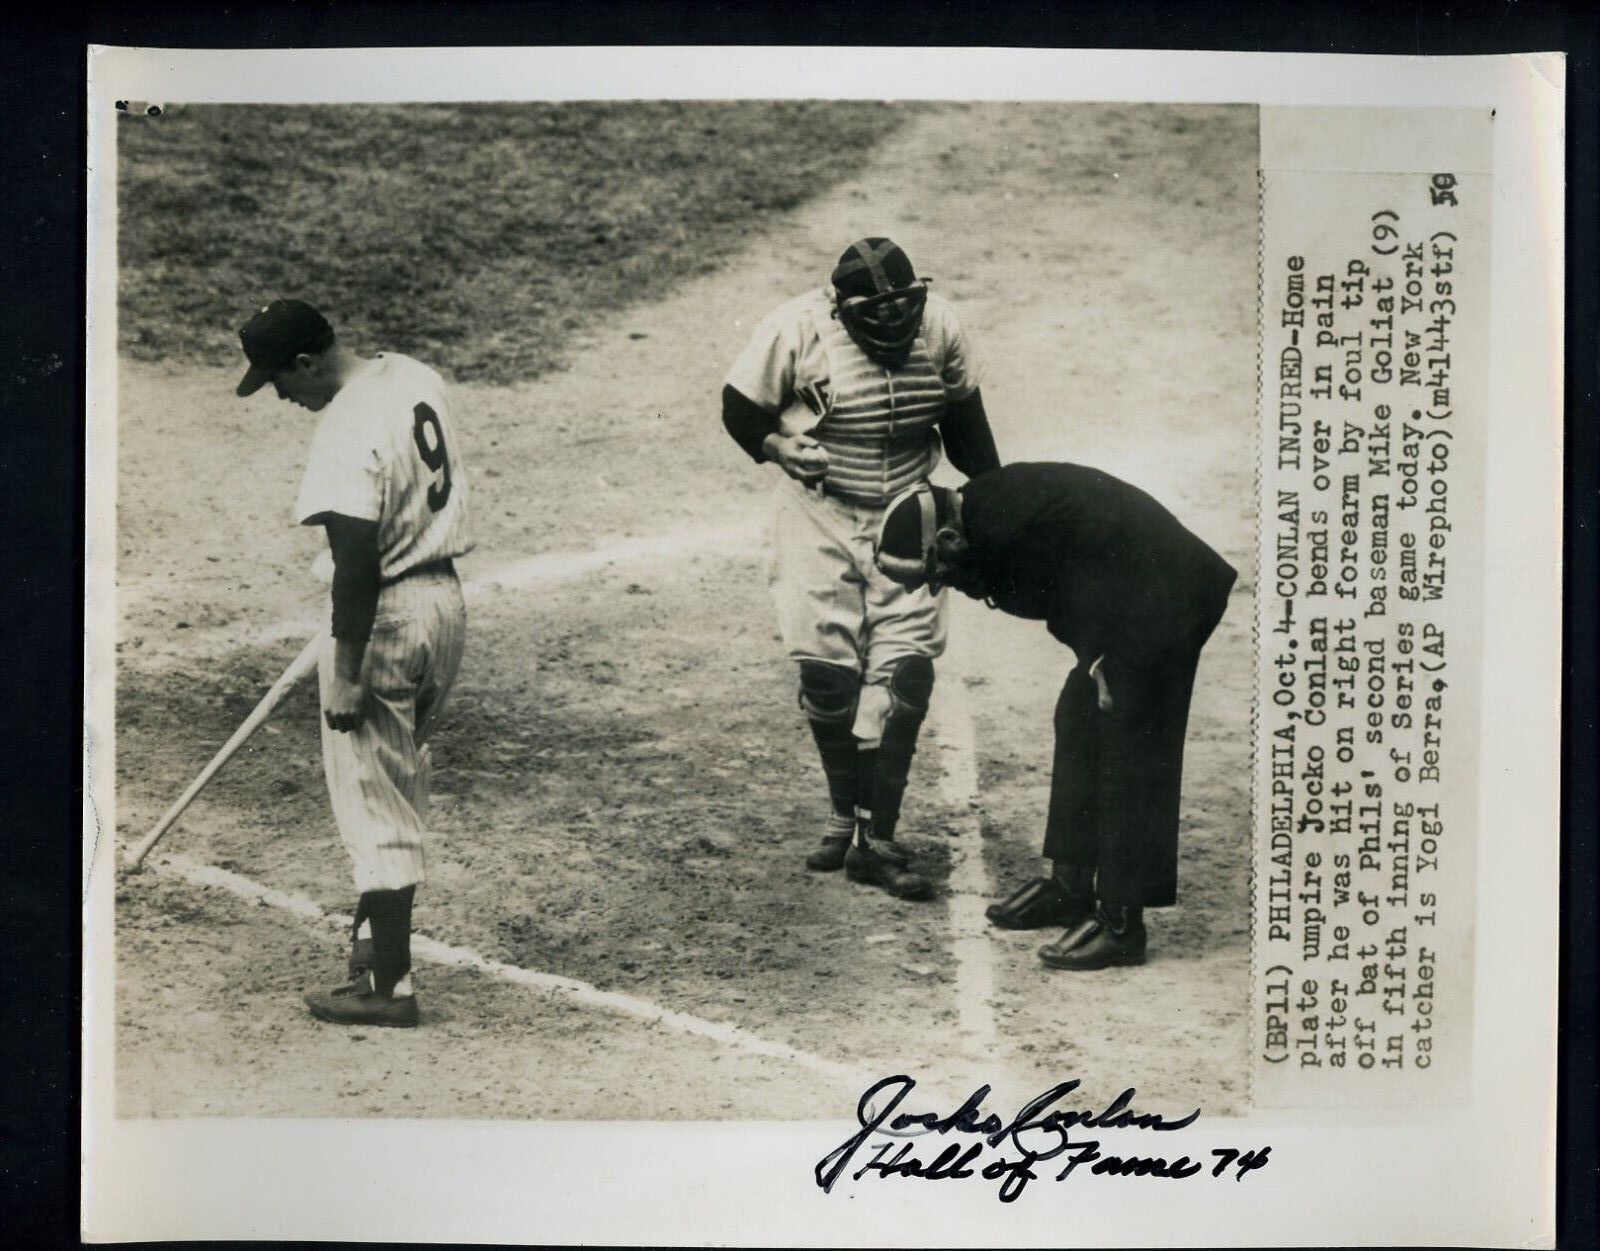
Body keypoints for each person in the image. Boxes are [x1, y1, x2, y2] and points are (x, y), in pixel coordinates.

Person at [722, 238, 1000, 900]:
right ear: (841, 308)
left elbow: (970, 437)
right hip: (816, 512)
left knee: (904, 677)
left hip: (910, 514)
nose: (895, 322)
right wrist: (778, 447)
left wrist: (1001, 512)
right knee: (827, 676)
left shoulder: (941, 329)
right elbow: (739, 409)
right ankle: (843, 811)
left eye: (904, 307)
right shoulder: (797, 329)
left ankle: (876, 840)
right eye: (876, 311)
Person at [873, 463, 1236, 968]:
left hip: (1167, 594)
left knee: (1130, 728)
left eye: (935, 573)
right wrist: (1093, 659)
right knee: (1078, 717)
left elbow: (1076, 591)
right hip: (1124, 591)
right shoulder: (983, 518)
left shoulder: (1008, 531)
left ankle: (1121, 921)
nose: (940, 586)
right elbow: (1067, 590)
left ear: (951, 537)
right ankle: (1070, 886)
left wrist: (1101, 660)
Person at [235, 298, 474, 1025]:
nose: (281, 394)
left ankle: (389, 988)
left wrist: (345, 666)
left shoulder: (343, 428)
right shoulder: (408, 375)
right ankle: (373, 952)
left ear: (307, 362)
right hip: (444, 607)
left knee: (372, 800)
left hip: (388, 618)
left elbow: (357, 561)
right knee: (397, 782)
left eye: (280, 380)